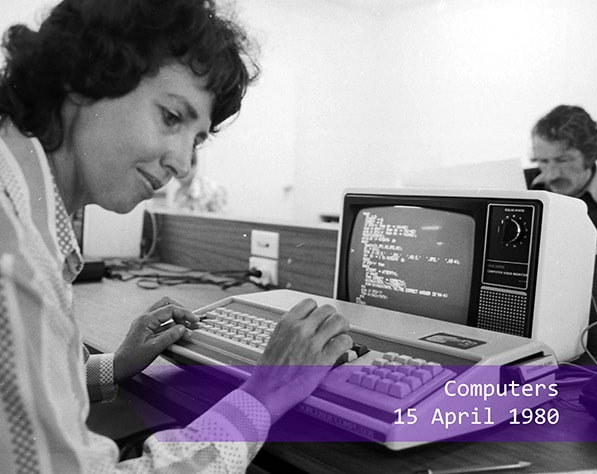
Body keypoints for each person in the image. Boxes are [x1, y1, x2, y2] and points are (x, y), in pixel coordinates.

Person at [0, 1, 353, 472]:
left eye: (197, 139)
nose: (182, 164)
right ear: (84, 79)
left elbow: (22, 394)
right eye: (171, 117)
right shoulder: (15, 258)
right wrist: (264, 395)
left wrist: (114, 365)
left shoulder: (23, 203)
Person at [528, 105, 597, 230]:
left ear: (589, 156)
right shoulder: (516, 186)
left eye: (562, 160)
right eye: (543, 161)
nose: (551, 175)